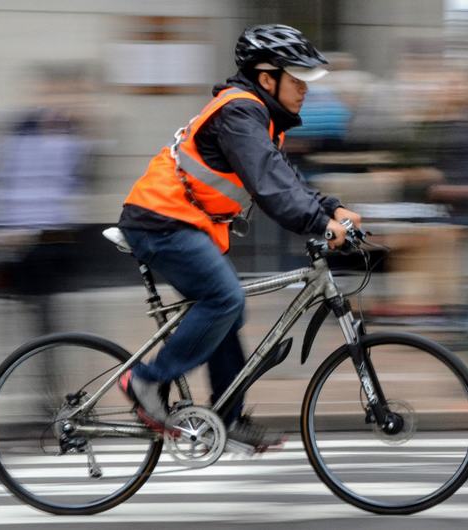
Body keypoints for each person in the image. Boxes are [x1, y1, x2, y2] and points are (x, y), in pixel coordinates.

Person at [116, 24, 362, 451]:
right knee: (225, 298)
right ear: (267, 78)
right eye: (298, 78)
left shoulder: (260, 120)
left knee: (228, 310)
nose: (306, 89)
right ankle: (146, 383)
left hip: (181, 225)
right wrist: (319, 224)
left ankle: (226, 419)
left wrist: (330, 207)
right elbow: (269, 187)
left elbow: (287, 180)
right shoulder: (239, 111)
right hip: (159, 223)